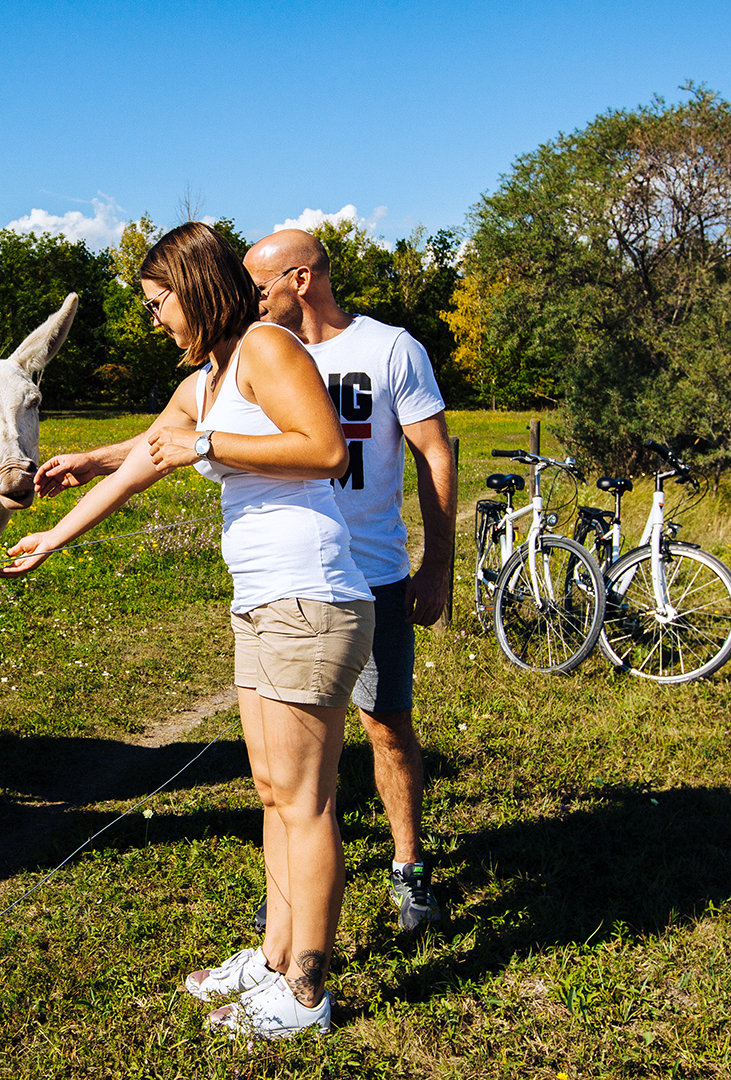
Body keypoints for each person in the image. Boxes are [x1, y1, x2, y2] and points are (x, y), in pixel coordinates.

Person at [0, 222, 373, 1038]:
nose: (155, 316)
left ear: (194, 287)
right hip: (264, 602)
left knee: (304, 803)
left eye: (160, 300)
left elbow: (326, 451)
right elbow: (146, 453)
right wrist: (60, 525)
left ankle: (307, 993)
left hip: (310, 598)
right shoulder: (209, 377)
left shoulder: (269, 350)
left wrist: (202, 442)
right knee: (272, 793)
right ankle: (275, 957)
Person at [36, 228, 456, 931]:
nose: (253, 297)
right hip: (275, 588)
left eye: (262, 285)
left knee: (382, 730)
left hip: (359, 570)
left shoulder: (377, 349)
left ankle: (401, 871)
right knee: (283, 787)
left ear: (299, 279)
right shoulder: (226, 365)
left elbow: (423, 453)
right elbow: (163, 442)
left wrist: (436, 564)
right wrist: (89, 470)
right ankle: (289, 917)